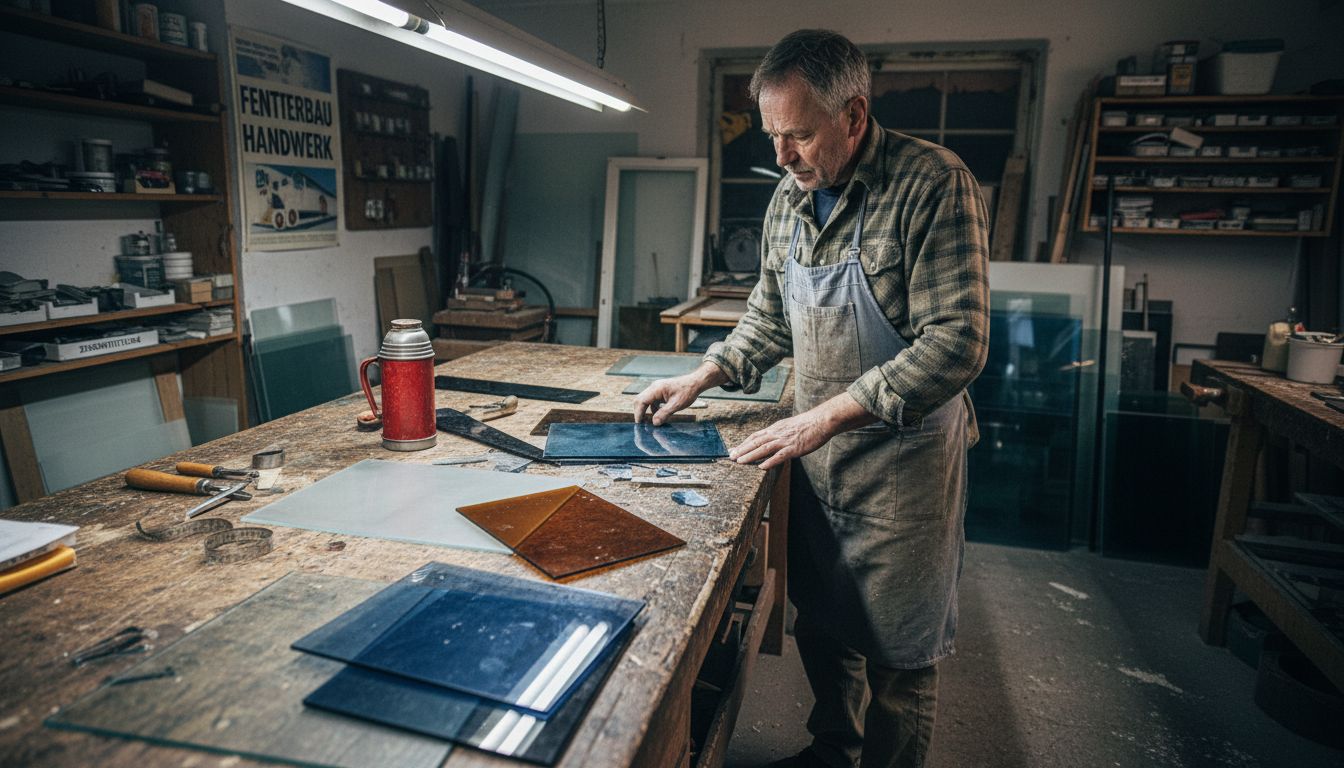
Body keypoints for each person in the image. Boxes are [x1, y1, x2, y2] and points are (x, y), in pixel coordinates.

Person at [633, 29, 989, 768]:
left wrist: (824, 415)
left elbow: (957, 342)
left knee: (898, 655)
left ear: (854, 116)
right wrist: (704, 372)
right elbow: (769, 314)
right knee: (824, 625)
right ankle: (833, 748)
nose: (784, 156)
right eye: (773, 135)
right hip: (818, 452)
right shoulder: (787, 199)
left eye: (798, 135)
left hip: (905, 463)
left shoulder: (932, 183)